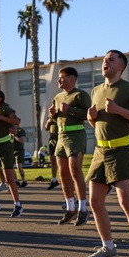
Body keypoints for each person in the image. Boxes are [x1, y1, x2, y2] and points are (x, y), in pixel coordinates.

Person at [82, 50, 129, 257]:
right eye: (105, 59)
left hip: (121, 151)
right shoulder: (96, 90)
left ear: (120, 67)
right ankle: (108, 247)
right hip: (99, 152)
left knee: (125, 201)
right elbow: (99, 124)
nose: (106, 62)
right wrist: (90, 119)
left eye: (111, 60)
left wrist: (119, 109)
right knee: (94, 201)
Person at [50, 67, 91, 226]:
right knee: (63, 175)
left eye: (61, 78)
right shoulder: (57, 97)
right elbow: (55, 119)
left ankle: (83, 208)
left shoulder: (80, 95)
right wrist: (53, 114)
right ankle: (70, 208)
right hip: (61, 136)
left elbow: (87, 114)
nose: (58, 80)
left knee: (75, 171)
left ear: (71, 79)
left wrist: (70, 109)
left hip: (76, 136)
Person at [44, 115, 60, 190]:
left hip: (60, 139)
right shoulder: (50, 116)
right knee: (53, 161)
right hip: (52, 140)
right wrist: (48, 122)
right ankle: (54, 180)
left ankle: (63, 178)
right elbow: (46, 128)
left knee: (61, 161)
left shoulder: (61, 115)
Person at [12, 122, 28, 187]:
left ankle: (24, 180)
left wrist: (15, 136)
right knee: (10, 167)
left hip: (19, 151)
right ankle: (16, 180)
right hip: (11, 151)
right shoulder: (10, 130)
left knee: (19, 166)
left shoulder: (21, 131)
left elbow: (22, 140)